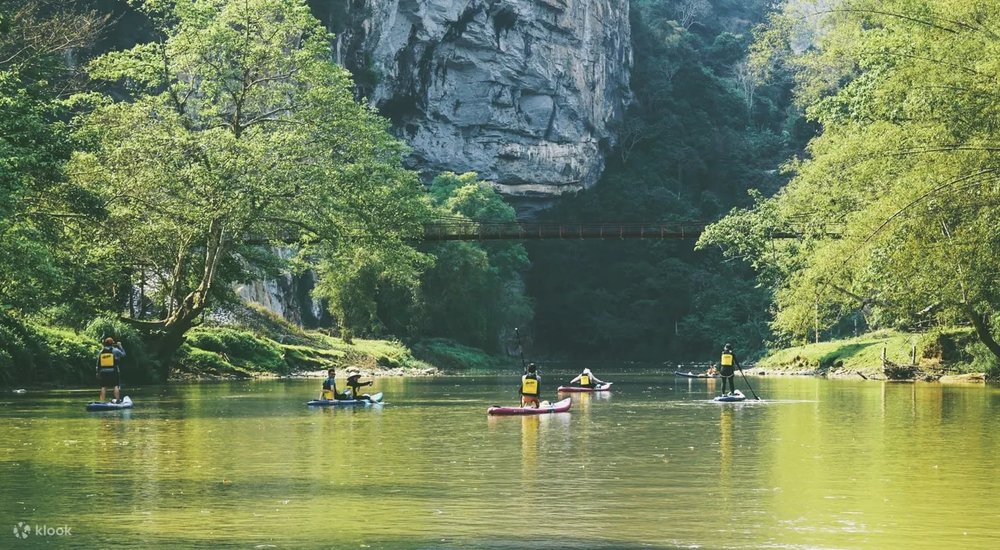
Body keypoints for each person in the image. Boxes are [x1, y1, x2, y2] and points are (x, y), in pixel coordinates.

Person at [96, 337, 125, 403]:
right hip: (113, 371)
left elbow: (98, 363)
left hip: (103, 372)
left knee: (104, 386)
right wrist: (120, 346)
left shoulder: (101, 351)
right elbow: (123, 354)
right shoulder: (115, 350)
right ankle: (117, 400)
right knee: (115, 385)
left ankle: (102, 401)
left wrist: (97, 372)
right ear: (112, 343)